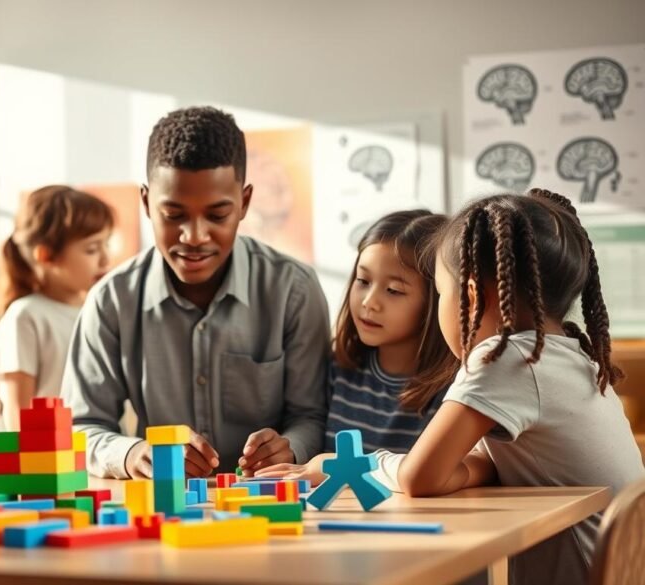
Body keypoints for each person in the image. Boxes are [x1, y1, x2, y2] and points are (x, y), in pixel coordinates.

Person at [382, 189, 645, 585]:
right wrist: (471, 469)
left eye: (440, 292)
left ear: (470, 295)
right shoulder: (574, 356)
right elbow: (476, 466)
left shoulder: (506, 359)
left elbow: (418, 479)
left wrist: (348, 468)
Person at [61, 106, 330, 479]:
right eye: (173, 215)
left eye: (217, 215)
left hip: (270, 505)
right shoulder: (111, 300)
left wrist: (292, 447)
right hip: (162, 512)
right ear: (145, 203)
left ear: (245, 203)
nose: (194, 236)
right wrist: (132, 453)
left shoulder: (294, 291)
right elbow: (79, 426)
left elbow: (313, 416)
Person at [256, 210, 459, 482]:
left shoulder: (453, 387)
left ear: (434, 300)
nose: (369, 302)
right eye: (363, 281)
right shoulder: (339, 367)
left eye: (394, 291)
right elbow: (310, 428)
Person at [0, 185, 113, 431]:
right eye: (91, 249)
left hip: (91, 456)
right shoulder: (25, 317)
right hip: (42, 464)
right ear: (45, 256)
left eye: (106, 245)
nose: (105, 259)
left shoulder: (99, 311)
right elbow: (18, 421)